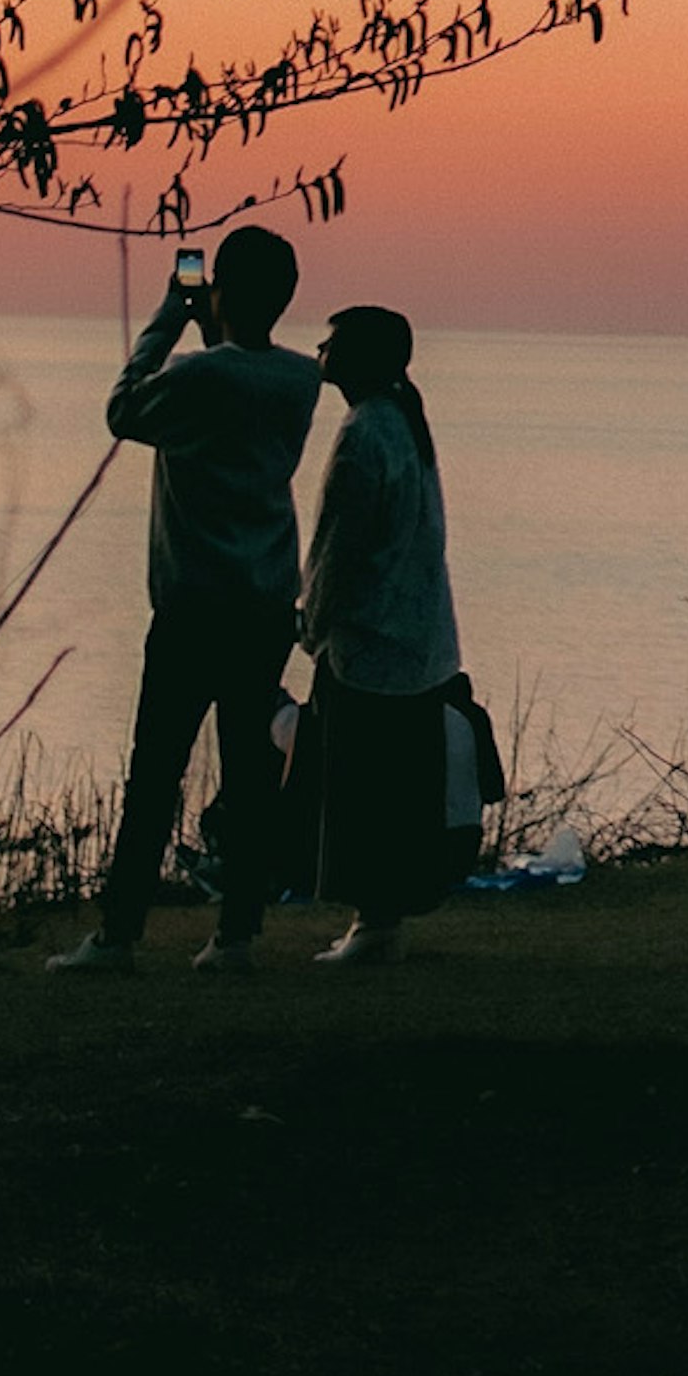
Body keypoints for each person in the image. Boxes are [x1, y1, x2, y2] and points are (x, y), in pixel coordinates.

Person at [52, 227, 321, 974]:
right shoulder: (300, 381)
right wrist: (216, 328)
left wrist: (173, 313)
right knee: (246, 774)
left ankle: (118, 936)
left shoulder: (199, 379)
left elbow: (124, 407)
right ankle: (237, 934)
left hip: (193, 609)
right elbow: (234, 375)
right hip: (265, 605)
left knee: (154, 774)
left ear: (222, 289)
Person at [292, 306, 473, 966]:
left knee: (363, 789)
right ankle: (380, 919)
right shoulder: (401, 425)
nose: (320, 350)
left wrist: (312, 623)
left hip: (370, 638)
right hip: (412, 637)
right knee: (395, 789)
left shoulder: (365, 432)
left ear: (361, 358)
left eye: (332, 343)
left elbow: (340, 548)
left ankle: (373, 919)